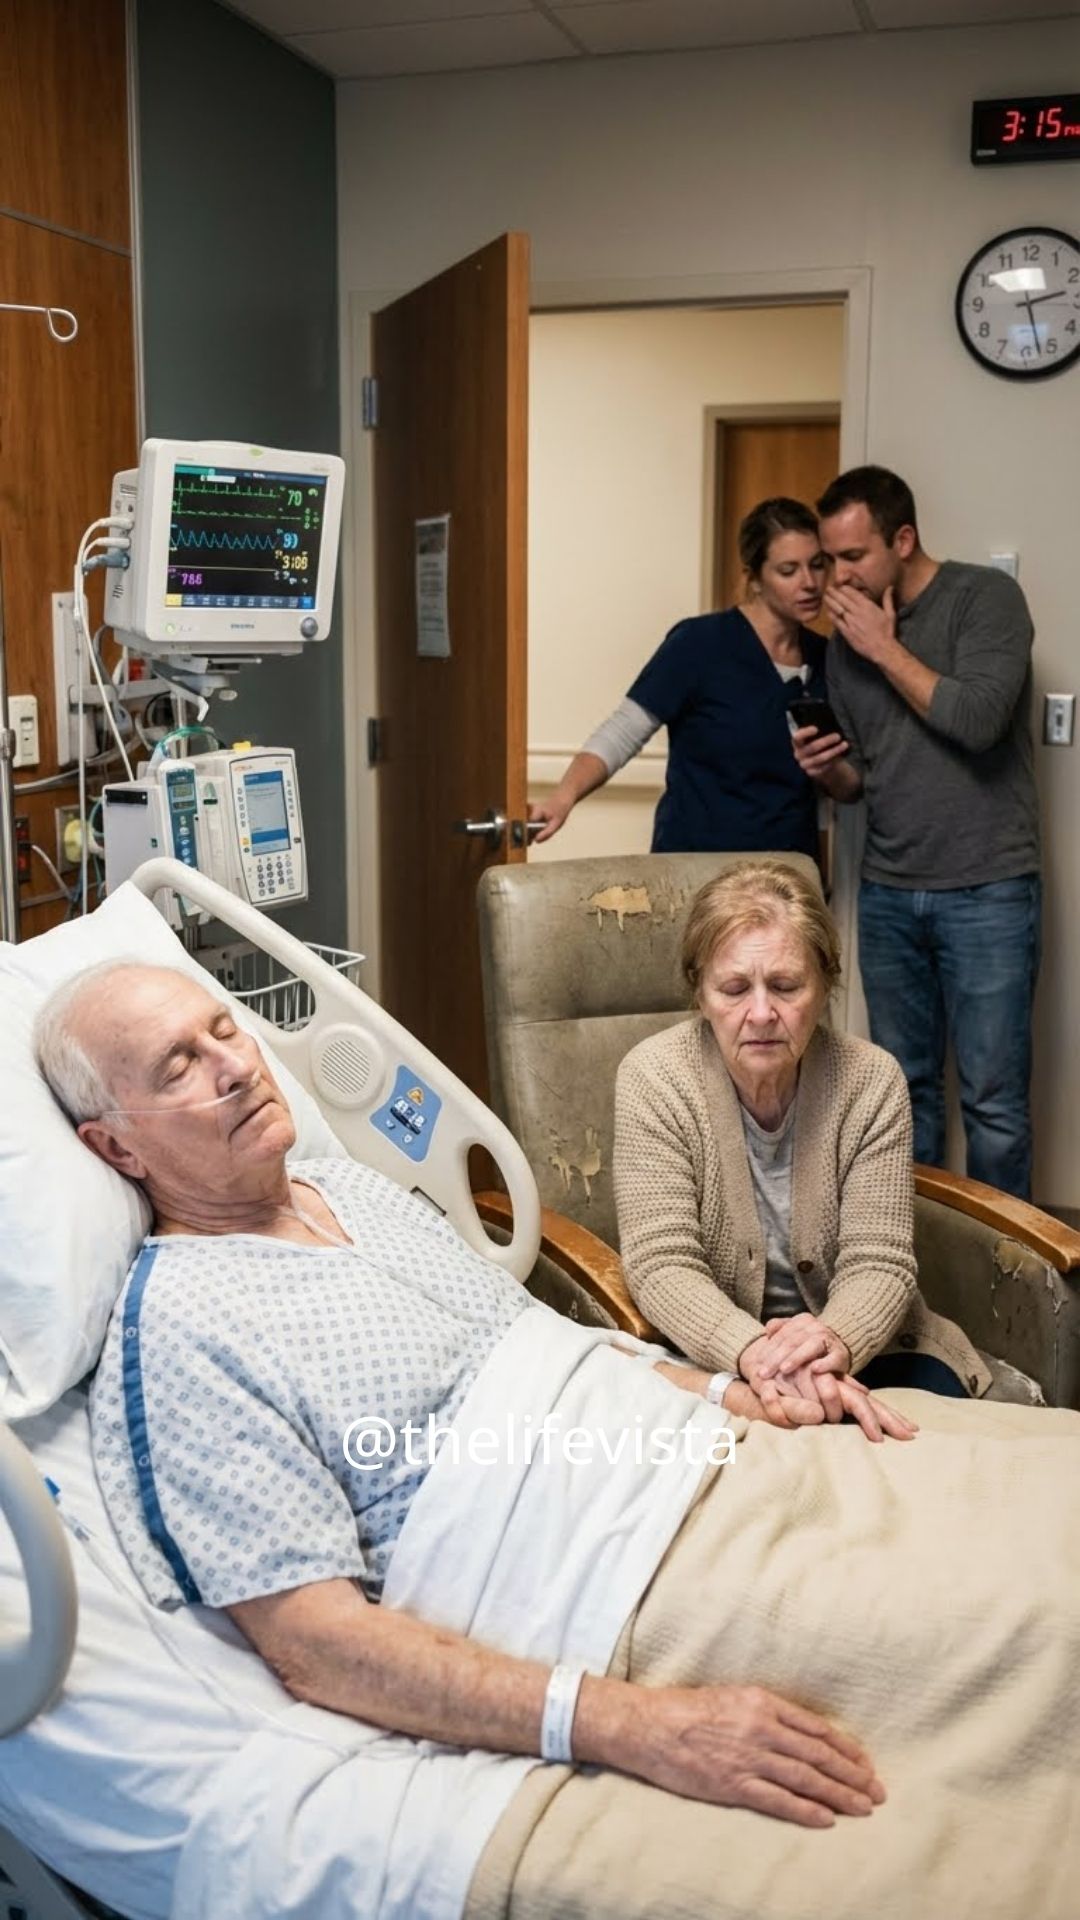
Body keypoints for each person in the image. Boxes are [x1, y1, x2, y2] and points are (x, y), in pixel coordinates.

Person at [30, 959, 1077, 1901]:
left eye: (223, 1029)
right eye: (178, 1065)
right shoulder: (183, 1329)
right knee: (1030, 1620)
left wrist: (731, 1393)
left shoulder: (345, 1186)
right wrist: (629, 1723)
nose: (234, 1066)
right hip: (629, 1569)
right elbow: (317, 1646)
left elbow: (543, 1341)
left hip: (718, 1452)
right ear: (113, 1144)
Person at [614, 861, 995, 1408]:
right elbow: (662, 1263)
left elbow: (879, 1260)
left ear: (824, 987)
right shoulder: (654, 1077)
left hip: (868, 1345)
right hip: (714, 1349)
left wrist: (829, 1342)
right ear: (700, 993)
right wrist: (754, 1354)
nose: (761, 1013)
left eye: (786, 986)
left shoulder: (871, 1080)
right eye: (734, 989)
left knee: (919, 1444)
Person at [791, 465, 1040, 1199]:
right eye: (830, 558)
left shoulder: (984, 599)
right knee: (903, 1098)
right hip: (890, 891)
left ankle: (1007, 1267)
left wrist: (884, 648)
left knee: (994, 1107)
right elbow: (862, 779)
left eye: (854, 556)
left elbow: (978, 720)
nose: (838, 577)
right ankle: (909, 1255)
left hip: (989, 888)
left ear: (903, 540)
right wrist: (826, 770)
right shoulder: (846, 640)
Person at [529, 497, 827, 858]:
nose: (809, 583)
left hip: (786, 870)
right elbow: (624, 730)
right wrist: (562, 798)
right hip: (697, 866)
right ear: (755, 578)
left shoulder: (824, 657)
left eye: (817, 565)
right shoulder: (700, 643)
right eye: (788, 570)